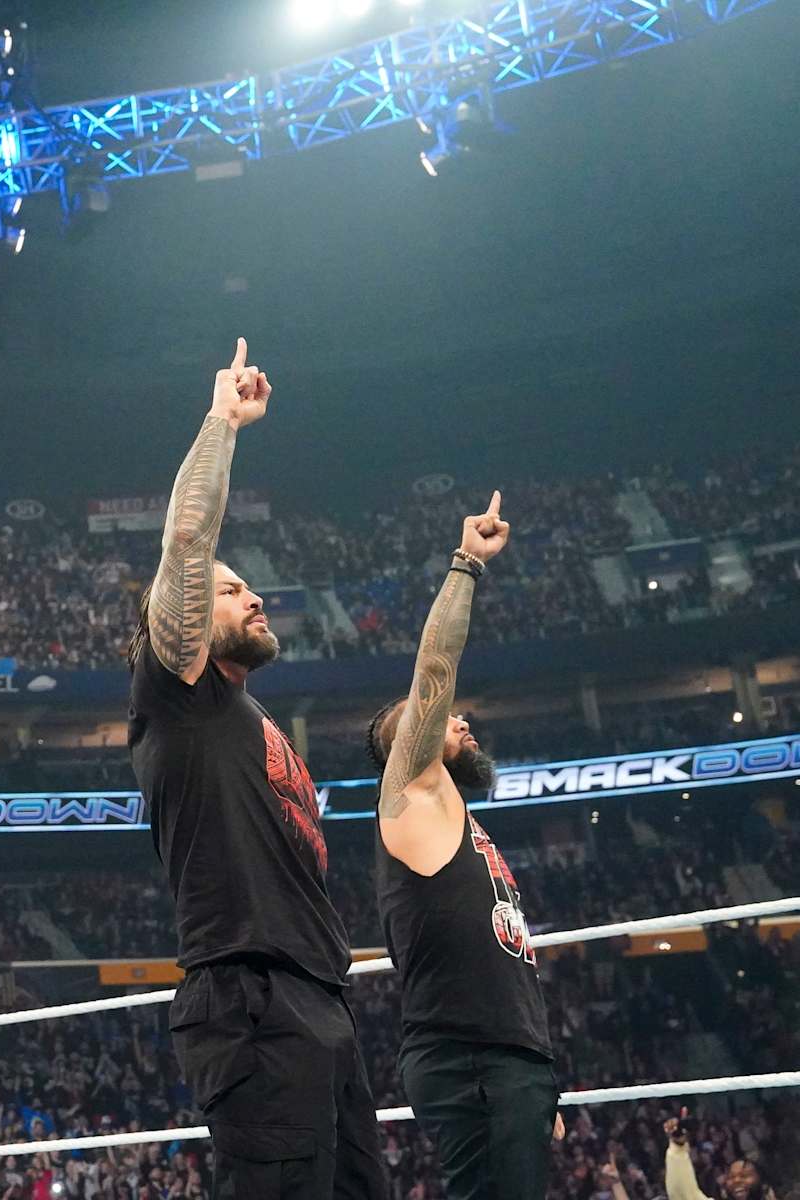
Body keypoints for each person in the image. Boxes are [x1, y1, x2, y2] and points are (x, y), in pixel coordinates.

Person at [126, 338, 383, 1200]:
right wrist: (223, 422)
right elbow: (188, 543)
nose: (255, 597)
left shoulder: (252, 716)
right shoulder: (178, 694)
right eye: (235, 591)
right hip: (252, 997)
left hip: (320, 998)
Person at [364, 493, 562, 1200]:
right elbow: (434, 675)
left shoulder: (462, 822)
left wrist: (538, 1069)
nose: (462, 721)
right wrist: (468, 564)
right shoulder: (411, 792)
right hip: (472, 1061)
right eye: (443, 722)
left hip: (504, 1060)